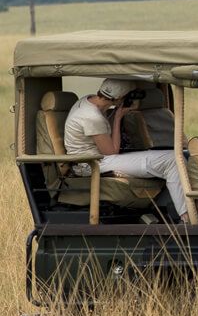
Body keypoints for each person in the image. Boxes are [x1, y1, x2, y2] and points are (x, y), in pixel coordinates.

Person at [63, 78, 188, 219]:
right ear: (118, 99)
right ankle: (187, 218)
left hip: (95, 159)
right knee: (172, 159)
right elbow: (111, 152)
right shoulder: (92, 117)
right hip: (93, 164)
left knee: (174, 156)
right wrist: (118, 118)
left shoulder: (87, 101)